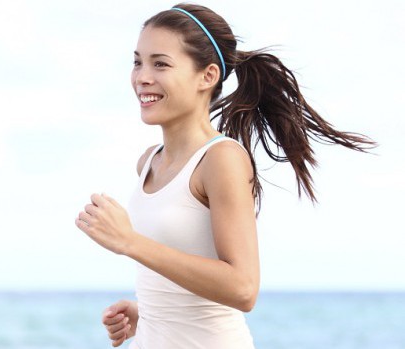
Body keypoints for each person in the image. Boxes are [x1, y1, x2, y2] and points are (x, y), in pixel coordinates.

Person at [73, 3, 375, 348]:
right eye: (138, 61)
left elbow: (242, 288)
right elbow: (185, 273)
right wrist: (150, 312)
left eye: (161, 63)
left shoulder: (221, 159)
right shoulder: (148, 162)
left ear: (208, 76)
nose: (142, 76)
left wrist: (130, 242)